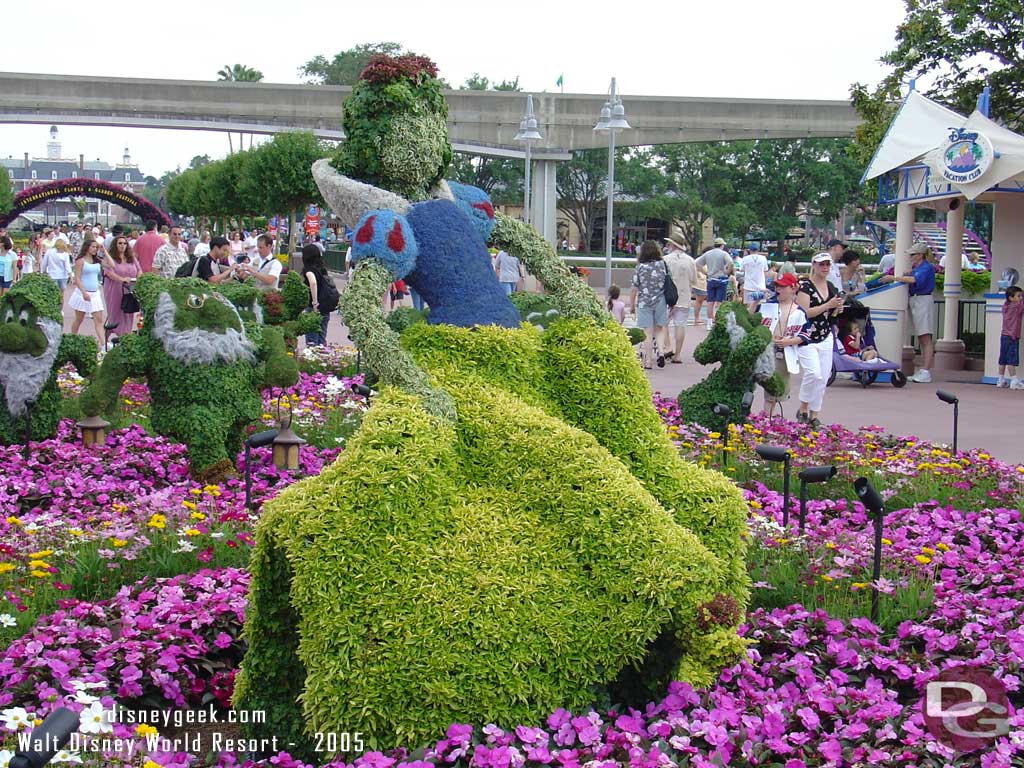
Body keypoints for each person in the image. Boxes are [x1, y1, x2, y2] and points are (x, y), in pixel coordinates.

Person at [794, 253, 844, 427]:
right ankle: (803, 407)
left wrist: (837, 308)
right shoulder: (805, 285)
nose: (825, 268)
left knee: (823, 376)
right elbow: (804, 312)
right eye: (821, 264)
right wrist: (827, 306)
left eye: (827, 265)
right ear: (814, 265)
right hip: (807, 336)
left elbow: (833, 313)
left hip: (825, 334)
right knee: (813, 373)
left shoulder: (830, 286)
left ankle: (814, 413)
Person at [879, 242, 936, 383]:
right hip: (916, 300)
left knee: (925, 337)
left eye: (913, 255)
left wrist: (894, 278)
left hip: (922, 301)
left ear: (920, 255)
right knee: (921, 337)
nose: (910, 257)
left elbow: (916, 280)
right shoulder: (917, 268)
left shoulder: (926, 267)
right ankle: (924, 370)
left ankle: (926, 370)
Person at [758, 272, 806, 416]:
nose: (778, 289)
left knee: (775, 389)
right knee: (749, 383)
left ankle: (767, 418)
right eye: (777, 286)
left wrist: (788, 342)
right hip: (763, 350)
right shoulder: (766, 306)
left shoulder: (799, 312)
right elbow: (749, 321)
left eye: (783, 286)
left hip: (782, 352)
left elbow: (805, 335)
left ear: (793, 288)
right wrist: (754, 302)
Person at [629, 240, 671, 369]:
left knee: (647, 332)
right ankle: (661, 352)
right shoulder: (663, 265)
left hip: (644, 301)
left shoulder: (640, 267)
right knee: (659, 329)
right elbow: (668, 281)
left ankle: (648, 361)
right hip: (660, 301)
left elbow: (634, 288)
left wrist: (631, 306)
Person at [663, 233, 696, 363]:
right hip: (684, 296)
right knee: (680, 325)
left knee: (662, 323)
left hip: (667, 296)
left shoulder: (665, 259)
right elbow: (693, 280)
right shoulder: (690, 260)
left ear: (672, 244)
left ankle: (667, 346)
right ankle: (677, 355)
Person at [101, 234, 142, 339]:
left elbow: (139, 269)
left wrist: (139, 278)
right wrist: (121, 279)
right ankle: (109, 337)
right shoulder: (110, 258)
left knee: (128, 311)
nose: (122, 245)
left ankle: (126, 335)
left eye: (124, 243)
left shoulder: (131, 257)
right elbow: (109, 273)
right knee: (115, 313)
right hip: (114, 288)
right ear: (115, 245)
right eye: (120, 243)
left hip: (129, 289)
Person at [69, 239, 106, 341]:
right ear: (87, 248)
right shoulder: (80, 261)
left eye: (96, 247)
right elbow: (77, 278)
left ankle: (103, 343)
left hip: (95, 293)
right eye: (93, 247)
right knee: (79, 319)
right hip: (83, 293)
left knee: (98, 320)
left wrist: (104, 252)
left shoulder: (97, 261)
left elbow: (111, 265)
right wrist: (83, 292)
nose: (95, 249)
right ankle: (73, 337)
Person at [694, 237, 733, 327]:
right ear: (722, 245)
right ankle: (719, 320)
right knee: (720, 301)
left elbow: (697, 263)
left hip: (710, 279)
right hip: (721, 279)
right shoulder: (724, 254)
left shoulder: (708, 253)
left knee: (710, 301)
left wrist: (705, 273)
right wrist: (727, 272)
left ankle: (709, 322)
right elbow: (731, 263)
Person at [302, 243, 333, 346]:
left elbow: (313, 282)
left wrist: (315, 303)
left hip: (313, 308)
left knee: (312, 341)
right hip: (325, 307)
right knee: (321, 340)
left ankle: (312, 361)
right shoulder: (323, 269)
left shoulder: (309, 270)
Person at [996, 285, 1024, 389]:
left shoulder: (1005, 306)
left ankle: (1000, 380)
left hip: (1004, 336)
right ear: (1011, 298)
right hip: (1012, 337)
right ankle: (1014, 381)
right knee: (1011, 360)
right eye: (1019, 296)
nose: (1021, 298)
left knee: (1002, 359)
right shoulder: (1017, 306)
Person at [740, 244, 769, 312]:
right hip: (761, 286)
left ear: (749, 250)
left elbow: (742, 269)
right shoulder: (763, 258)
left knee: (749, 306)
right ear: (758, 250)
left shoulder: (745, 259)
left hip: (749, 285)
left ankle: (750, 320)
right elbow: (765, 270)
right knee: (760, 307)